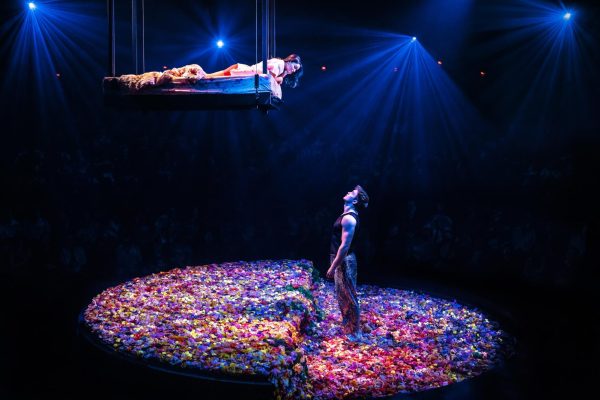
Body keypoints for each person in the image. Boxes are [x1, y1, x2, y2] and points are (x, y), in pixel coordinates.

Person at [326, 185, 369, 338]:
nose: (348, 192)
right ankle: (349, 327)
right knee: (343, 295)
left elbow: (344, 247)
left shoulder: (349, 218)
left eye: (353, 193)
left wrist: (332, 267)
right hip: (342, 260)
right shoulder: (347, 214)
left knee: (348, 296)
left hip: (344, 260)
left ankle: (354, 332)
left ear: (355, 200)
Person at [204, 54, 303, 87]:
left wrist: (284, 74)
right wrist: (281, 78)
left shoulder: (278, 62)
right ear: (289, 61)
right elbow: (270, 80)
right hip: (245, 72)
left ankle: (204, 76)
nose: (294, 71)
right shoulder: (280, 65)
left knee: (209, 77)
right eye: (294, 67)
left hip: (244, 68)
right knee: (209, 78)